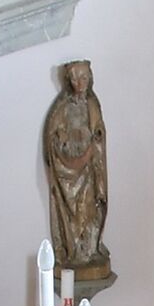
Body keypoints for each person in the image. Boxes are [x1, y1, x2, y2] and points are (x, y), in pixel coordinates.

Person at [43, 59, 112, 278]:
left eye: (83, 78)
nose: (79, 83)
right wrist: (64, 147)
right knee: (73, 212)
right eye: (74, 79)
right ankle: (73, 251)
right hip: (68, 172)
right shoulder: (62, 109)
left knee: (90, 210)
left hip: (89, 171)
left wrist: (95, 141)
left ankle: (89, 249)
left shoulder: (92, 105)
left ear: (89, 79)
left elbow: (99, 133)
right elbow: (52, 140)